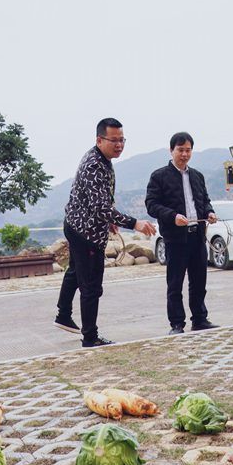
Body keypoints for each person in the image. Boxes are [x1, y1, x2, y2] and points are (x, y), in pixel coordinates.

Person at [54, 118, 156, 347]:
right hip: (84, 232)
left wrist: (109, 221)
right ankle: (90, 337)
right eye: (114, 140)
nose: (119, 145)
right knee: (91, 285)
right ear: (99, 140)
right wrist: (134, 223)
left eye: (122, 140)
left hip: (80, 225)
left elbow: (100, 202)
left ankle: (63, 314)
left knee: (75, 271)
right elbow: (101, 207)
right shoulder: (94, 164)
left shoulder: (103, 159)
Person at [145, 132, 219, 334]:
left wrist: (209, 212)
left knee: (199, 281)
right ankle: (177, 324)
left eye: (188, 150)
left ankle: (200, 319)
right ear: (171, 150)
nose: (184, 154)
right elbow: (151, 205)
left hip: (197, 235)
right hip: (175, 238)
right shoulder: (159, 176)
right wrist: (172, 216)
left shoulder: (197, 175)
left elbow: (204, 200)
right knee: (175, 283)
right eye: (180, 150)